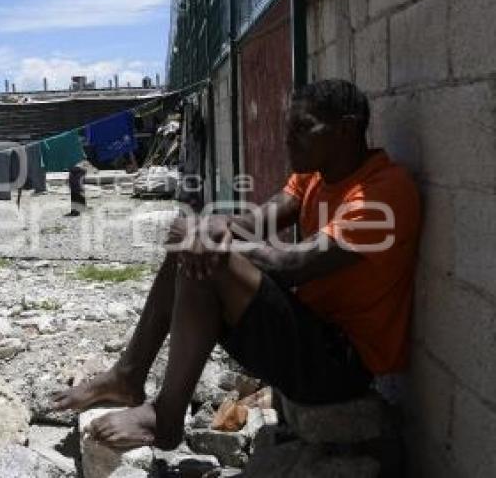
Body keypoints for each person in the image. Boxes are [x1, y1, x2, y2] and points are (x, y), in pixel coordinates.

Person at [51, 80, 421, 449]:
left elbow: (293, 263)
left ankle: (166, 416)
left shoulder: (384, 193)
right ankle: (128, 376)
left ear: (346, 129)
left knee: (210, 259)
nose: (288, 139)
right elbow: (255, 222)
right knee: (190, 246)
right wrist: (205, 227)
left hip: (342, 365)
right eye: (287, 128)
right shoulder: (312, 178)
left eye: (303, 128)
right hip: (309, 334)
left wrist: (212, 238)